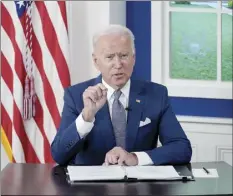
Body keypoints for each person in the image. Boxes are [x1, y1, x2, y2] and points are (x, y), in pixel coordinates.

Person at [51, 24, 192, 166]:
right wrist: (86, 117)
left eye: (124, 56)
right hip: (91, 186)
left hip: (139, 185)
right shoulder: (76, 96)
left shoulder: (156, 94)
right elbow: (59, 155)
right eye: (110, 57)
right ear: (96, 61)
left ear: (133, 58)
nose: (118, 64)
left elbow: (182, 148)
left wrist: (135, 158)